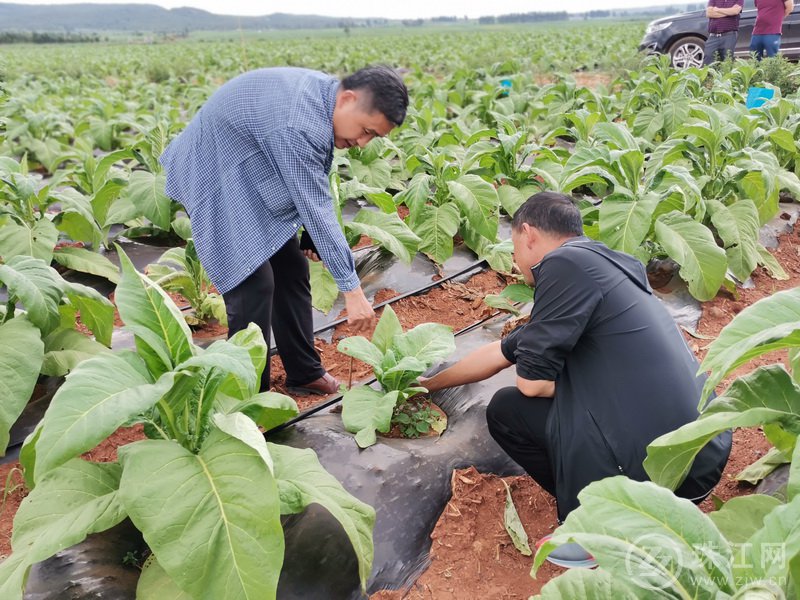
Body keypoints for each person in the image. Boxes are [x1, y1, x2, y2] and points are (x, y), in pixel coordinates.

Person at [421, 192, 731, 566]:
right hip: (699, 454)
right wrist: (428, 386)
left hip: (663, 472)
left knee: (508, 408)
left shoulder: (562, 265)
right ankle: (613, 501)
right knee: (569, 395)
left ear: (529, 234)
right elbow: (501, 353)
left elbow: (531, 385)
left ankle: (602, 525)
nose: (516, 261)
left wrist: (573, 388)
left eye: (515, 246)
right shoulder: (602, 266)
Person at [160, 66, 408, 394]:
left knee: (291, 266)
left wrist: (310, 236)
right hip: (215, 172)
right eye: (365, 130)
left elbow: (315, 171)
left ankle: (304, 372)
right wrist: (352, 290)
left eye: (373, 137)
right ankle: (248, 398)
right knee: (253, 284)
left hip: (249, 166)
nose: (362, 143)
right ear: (348, 99)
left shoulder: (324, 100)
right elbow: (316, 204)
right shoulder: (297, 121)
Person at [703, 0, 744, 65]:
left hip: (729, 36)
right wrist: (728, 12)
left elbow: (735, 11)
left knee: (727, 61)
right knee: (708, 58)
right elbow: (709, 13)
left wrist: (717, 9)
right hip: (713, 36)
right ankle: (709, 75)